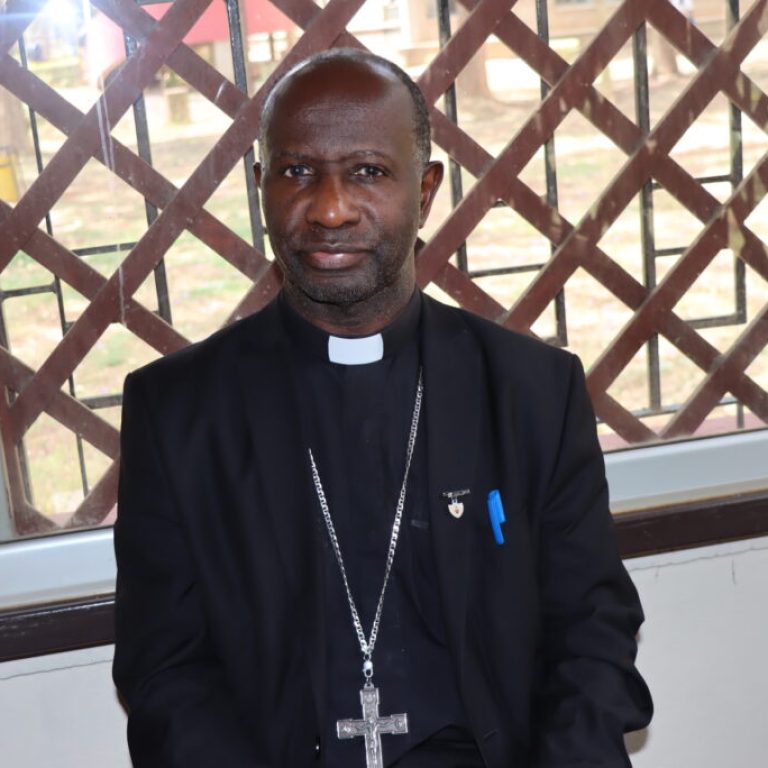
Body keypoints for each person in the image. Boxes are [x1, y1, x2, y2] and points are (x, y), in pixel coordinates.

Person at [113, 49, 652, 768]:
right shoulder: (178, 412)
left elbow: (592, 635)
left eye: (368, 171)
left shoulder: (532, 392)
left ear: (425, 191)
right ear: (261, 187)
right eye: (297, 172)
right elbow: (164, 671)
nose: (330, 208)